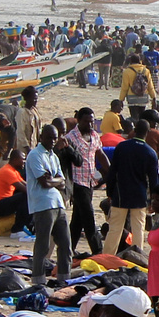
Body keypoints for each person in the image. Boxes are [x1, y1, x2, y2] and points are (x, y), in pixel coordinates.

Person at [104, 117, 159, 255]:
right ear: (147, 133)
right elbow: (154, 180)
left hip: (120, 194)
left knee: (115, 229)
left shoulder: (122, 147)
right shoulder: (150, 153)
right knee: (138, 229)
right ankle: (136, 257)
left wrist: (109, 192)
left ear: (134, 130)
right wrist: (153, 200)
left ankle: (107, 257)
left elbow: (112, 172)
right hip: (139, 196)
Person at [25, 123, 72, 286]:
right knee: (43, 246)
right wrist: (55, 181)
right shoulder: (35, 155)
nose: (53, 141)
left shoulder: (53, 156)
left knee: (66, 244)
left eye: (55, 138)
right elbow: (44, 182)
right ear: (41, 137)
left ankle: (64, 279)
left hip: (58, 203)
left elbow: (62, 182)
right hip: (43, 205)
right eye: (49, 138)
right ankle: (38, 280)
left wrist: (53, 180)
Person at [66, 107, 108, 255]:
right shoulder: (70, 138)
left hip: (90, 181)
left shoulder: (95, 136)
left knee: (78, 219)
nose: (89, 125)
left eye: (91, 122)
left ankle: (67, 249)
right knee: (89, 219)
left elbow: (100, 154)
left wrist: (110, 173)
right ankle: (98, 251)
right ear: (78, 120)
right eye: (86, 122)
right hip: (77, 182)